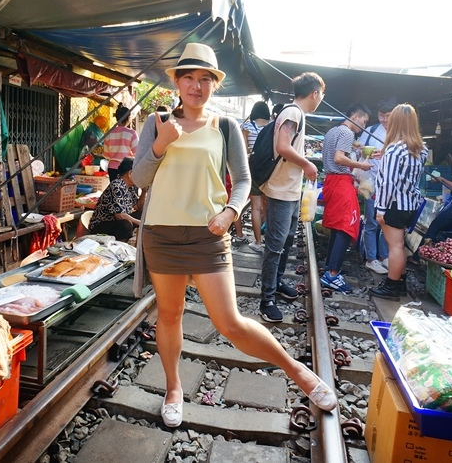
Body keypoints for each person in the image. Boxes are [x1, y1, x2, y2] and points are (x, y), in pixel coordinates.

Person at [132, 44, 336, 429]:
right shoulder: (156, 121)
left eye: (205, 78)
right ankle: (173, 388)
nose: (196, 85)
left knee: (229, 321)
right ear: (177, 82)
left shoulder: (225, 127)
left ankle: (299, 373)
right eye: (189, 77)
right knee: (170, 315)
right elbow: (140, 178)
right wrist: (160, 145)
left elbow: (243, 180)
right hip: (161, 235)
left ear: (214, 85)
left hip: (208, 236)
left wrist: (231, 211)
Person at [259, 72, 324, 323]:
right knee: (275, 245)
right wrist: (308, 164)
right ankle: (267, 299)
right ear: (315, 93)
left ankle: (276, 283)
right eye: (321, 94)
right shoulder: (293, 113)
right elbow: (283, 147)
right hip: (281, 189)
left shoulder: (296, 114)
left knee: (285, 241)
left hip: (290, 188)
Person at [369, 104, 428, 301]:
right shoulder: (421, 149)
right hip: (409, 204)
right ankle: (400, 282)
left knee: (394, 245)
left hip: (393, 205)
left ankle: (391, 286)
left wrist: (380, 209)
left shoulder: (394, 150)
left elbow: (388, 183)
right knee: (400, 245)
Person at [320, 103, 371, 292]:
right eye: (364, 122)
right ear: (355, 116)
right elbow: (339, 158)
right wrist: (361, 166)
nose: (363, 127)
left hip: (331, 182)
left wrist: (355, 152)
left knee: (336, 227)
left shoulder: (333, 131)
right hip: (341, 182)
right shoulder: (347, 133)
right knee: (345, 227)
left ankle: (329, 268)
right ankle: (332, 274)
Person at [357, 98, 395, 275]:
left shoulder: (399, 132)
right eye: (381, 115)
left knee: (386, 222)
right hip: (371, 183)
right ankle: (371, 259)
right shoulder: (371, 130)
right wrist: (364, 150)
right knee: (372, 221)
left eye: (388, 116)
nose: (384, 120)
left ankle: (383, 256)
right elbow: (358, 150)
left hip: (391, 186)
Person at [232, 100, 271, 252]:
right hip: (269, 171)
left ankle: (257, 242)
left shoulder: (247, 126)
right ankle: (270, 239)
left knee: (255, 208)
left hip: (253, 169)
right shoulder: (273, 125)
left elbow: (243, 151)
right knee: (269, 206)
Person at [88, 157, 143, 241]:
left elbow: (137, 207)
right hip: (101, 224)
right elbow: (120, 215)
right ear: (130, 173)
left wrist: (144, 191)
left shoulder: (130, 187)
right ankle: (120, 248)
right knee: (126, 225)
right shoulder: (116, 186)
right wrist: (140, 223)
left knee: (142, 214)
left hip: (115, 222)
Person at [103, 103, 139, 181]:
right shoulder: (132, 133)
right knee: (127, 192)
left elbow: (106, 155)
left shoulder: (109, 133)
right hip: (126, 169)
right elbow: (137, 153)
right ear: (129, 117)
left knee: (115, 192)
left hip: (112, 168)